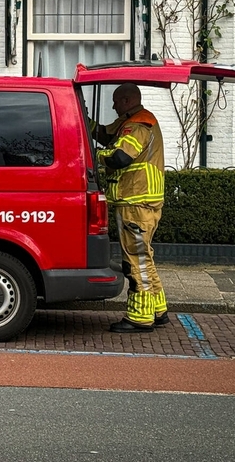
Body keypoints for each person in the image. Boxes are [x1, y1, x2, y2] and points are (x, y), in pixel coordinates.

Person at [89, 83, 168, 333]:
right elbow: (105, 134)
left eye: (115, 101)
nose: (112, 106)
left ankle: (140, 317)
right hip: (142, 202)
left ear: (126, 100)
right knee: (145, 258)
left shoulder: (137, 124)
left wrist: (95, 156)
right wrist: (85, 120)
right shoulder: (131, 121)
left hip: (135, 201)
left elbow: (120, 157)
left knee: (135, 261)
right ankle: (158, 309)